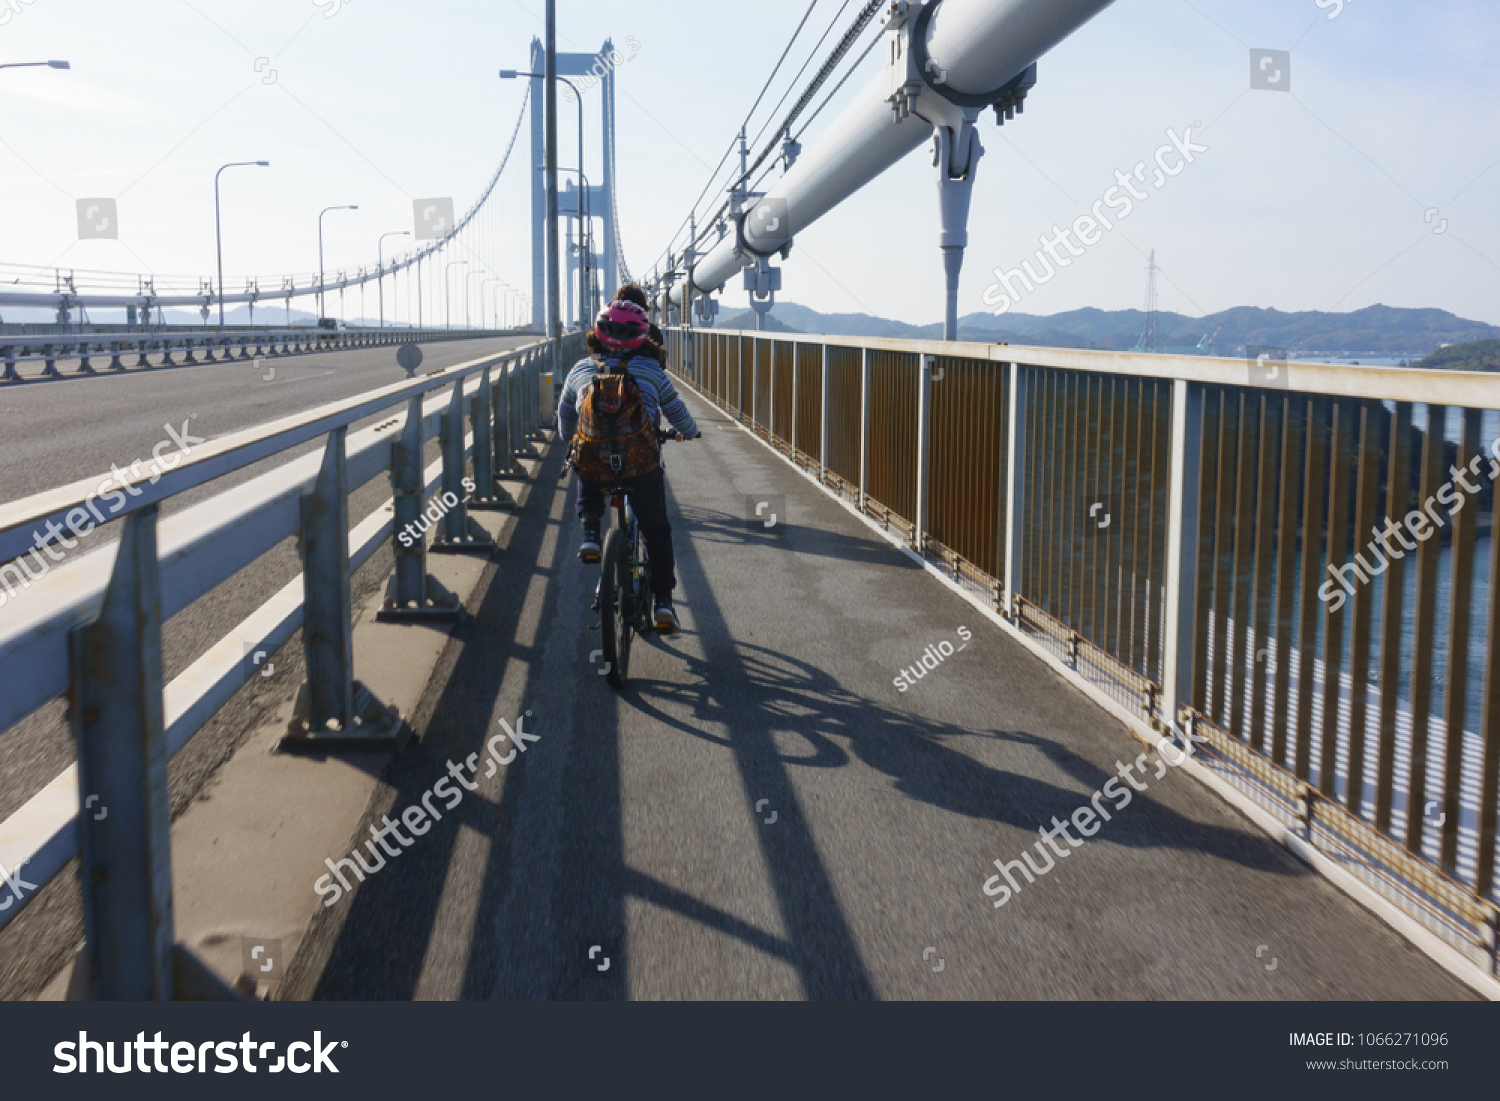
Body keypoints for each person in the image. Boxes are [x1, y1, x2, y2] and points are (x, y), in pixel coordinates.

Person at [557, 300, 700, 634]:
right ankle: (663, 602)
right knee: (656, 529)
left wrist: (569, 440)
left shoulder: (581, 369)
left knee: (587, 456)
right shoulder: (650, 371)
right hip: (640, 465)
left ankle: (591, 531)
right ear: (642, 335)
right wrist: (690, 432)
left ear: (597, 332)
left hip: (594, 466)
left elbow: (565, 415)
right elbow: (677, 412)